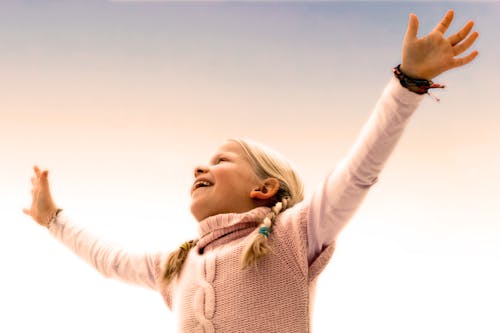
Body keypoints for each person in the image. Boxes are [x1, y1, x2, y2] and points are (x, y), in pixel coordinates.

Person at [23, 10, 478, 332]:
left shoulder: (295, 234)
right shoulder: (178, 266)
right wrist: (53, 220)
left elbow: (359, 171)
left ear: (265, 187)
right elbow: (110, 259)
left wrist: (407, 85)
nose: (201, 165)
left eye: (221, 160)